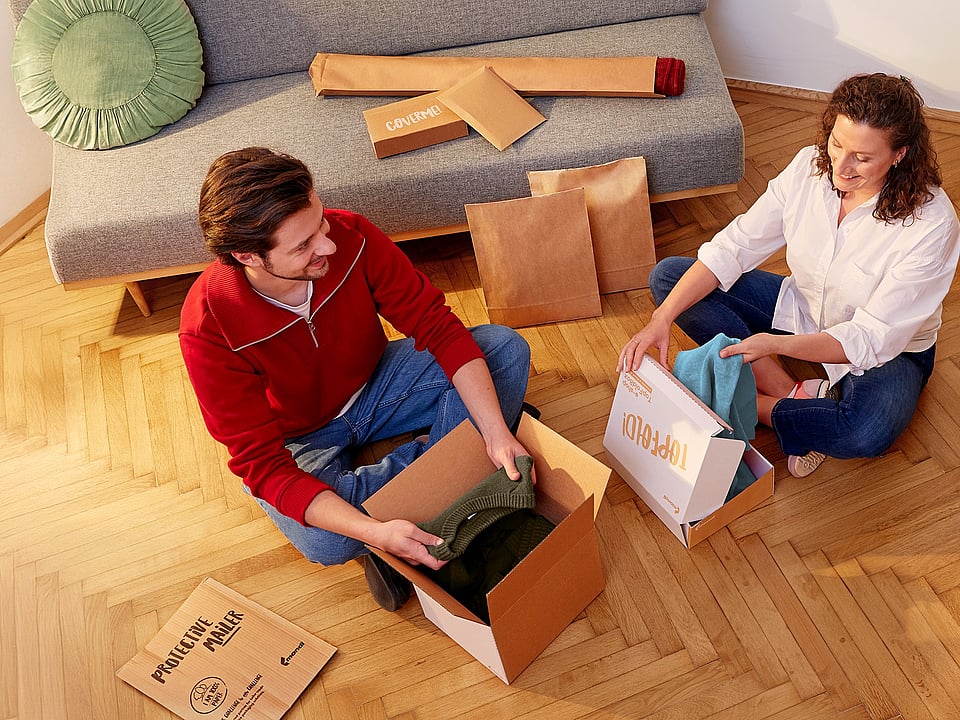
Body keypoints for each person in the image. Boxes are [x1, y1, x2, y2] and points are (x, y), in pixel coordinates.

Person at [179, 147, 534, 610]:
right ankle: (439, 485)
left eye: (320, 222)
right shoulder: (208, 326)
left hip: (378, 382)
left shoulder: (353, 234)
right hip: (299, 436)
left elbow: (436, 325)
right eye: (303, 246)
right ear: (248, 255)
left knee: (504, 351)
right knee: (328, 544)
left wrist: (494, 432)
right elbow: (262, 464)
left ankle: (420, 506)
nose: (326, 245)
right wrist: (370, 530)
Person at [619, 73, 960, 479]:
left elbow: (869, 337)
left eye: (863, 158)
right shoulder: (807, 169)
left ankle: (747, 405)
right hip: (802, 308)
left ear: (899, 154)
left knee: (867, 432)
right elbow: (734, 247)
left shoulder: (931, 225)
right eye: (837, 143)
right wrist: (660, 321)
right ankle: (789, 391)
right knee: (670, 278)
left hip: (889, 349)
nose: (841, 166)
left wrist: (773, 345)